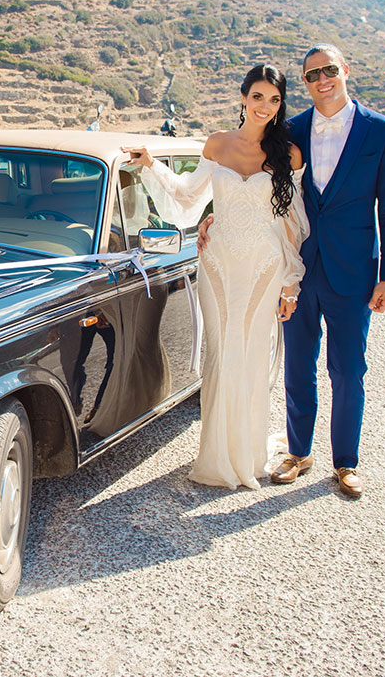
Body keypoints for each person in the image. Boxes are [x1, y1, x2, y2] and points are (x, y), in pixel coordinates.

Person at [204, 44, 385, 499]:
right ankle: (297, 452)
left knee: (348, 368)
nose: (322, 80)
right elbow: (251, 186)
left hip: (354, 271)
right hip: (292, 269)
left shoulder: (384, 133)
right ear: (306, 82)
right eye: (312, 74)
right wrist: (213, 217)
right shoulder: (288, 132)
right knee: (297, 366)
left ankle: (346, 462)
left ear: (345, 70)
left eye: (329, 70)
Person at [122, 64, 308, 490]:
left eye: (274, 99)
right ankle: (218, 457)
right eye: (258, 96)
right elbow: (189, 196)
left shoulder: (289, 154)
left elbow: (293, 224)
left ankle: (247, 455)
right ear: (243, 98)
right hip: (218, 262)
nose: (265, 106)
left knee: (253, 353)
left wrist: (290, 284)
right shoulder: (217, 144)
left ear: (280, 105)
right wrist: (151, 165)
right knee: (222, 351)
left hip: (264, 265)